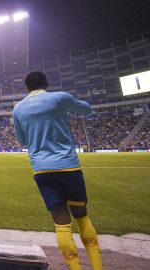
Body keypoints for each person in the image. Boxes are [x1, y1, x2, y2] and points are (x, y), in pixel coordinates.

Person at [12, 71, 102, 270]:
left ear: (26, 88)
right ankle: (97, 266)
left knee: (61, 224)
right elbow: (87, 110)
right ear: (46, 83)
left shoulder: (18, 109)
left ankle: (75, 267)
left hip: (42, 170)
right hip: (68, 165)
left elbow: (22, 141)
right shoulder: (59, 98)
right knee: (82, 217)